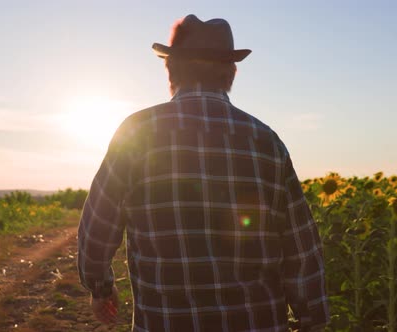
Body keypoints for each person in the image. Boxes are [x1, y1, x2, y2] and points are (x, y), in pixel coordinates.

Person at [77, 14, 329, 331]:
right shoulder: (264, 140)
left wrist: (100, 288)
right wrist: (311, 317)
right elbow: (300, 242)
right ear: (231, 72)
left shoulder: (137, 133)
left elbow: (98, 225)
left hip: (167, 322)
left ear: (171, 70)